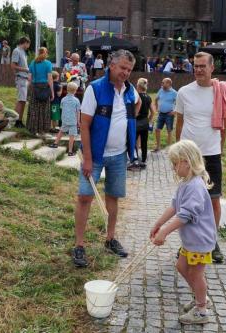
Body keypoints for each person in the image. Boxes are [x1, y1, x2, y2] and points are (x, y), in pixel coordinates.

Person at [73, 49, 141, 267]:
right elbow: (84, 124)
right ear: (111, 65)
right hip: (95, 155)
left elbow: (137, 105)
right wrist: (88, 159)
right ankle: (79, 245)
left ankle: (110, 238)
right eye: (122, 68)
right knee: (85, 198)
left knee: (113, 197)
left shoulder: (131, 91)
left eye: (129, 70)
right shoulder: (95, 89)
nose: (125, 73)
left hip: (119, 155)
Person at [175, 52, 226, 264]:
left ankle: (212, 241)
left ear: (211, 68)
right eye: (195, 66)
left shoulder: (221, 92)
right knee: (185, 200)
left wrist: (220, 148)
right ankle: (187, 243)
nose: (198, 69)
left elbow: (224, 125)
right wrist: (178, 151)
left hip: (211, 153)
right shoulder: (183, 92)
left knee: (213, 200)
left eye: (202, 66)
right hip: (189, 156)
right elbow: (179, 122)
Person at [150, 140, 216, 325]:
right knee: (181, 266)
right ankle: (200, 295)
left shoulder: (195, 186)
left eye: (175, 163)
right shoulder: (185, 183)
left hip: (200, 241)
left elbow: (186, 214)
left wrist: (165, 231)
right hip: (191, 241)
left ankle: (201, 310)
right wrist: (158, 223)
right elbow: (175, 206)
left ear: (187, 162)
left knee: (196, 274)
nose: (173, 168)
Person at [129, 78, 156, 170]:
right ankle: (144, 160)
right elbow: (153, 111)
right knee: (144, 143)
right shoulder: (148, 97)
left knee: (132, 141)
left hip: (136, 122)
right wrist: (149, 120)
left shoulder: (135, 96)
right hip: (145, 123)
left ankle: (134, 160)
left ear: (138, 86)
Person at [27, 47, 54, 136]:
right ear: (46, 53)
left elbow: (29, 79)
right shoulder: (48, 64)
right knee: (44, 110)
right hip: (45, 88)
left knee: (34, 109)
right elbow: (50, 78)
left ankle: (33, 130)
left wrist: (29, 91)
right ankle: (43, 131)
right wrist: (52, 92)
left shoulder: (32, 63)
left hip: (34, 88)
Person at [49, 82, 80, 156]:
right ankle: (70, 151)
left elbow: (61, 108)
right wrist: (78, 121)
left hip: (65, 119)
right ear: (75, 91)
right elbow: (77, 112)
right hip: (73, 121)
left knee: (61, 131)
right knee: (71, 136)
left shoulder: (63, 99)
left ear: (67, 90)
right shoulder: (76, 100)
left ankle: (55, 143)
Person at [11, 36, 31, 128]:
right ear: (25, 42)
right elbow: (13, 66)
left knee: (23, 101)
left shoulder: (23, 52)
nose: (28, 46)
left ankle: (19, 121)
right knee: (21, 100)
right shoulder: (16, 51)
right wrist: (26, 69)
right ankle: (13, 120)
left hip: (25, 78)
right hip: (20, 78)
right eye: (28, 44)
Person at [154, 78, 177, 151]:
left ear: (169, 84)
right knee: (157, 129)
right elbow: (156, 99)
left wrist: (175, 111)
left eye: (163, 83)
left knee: (169, 130)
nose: (162, 84)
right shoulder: (161, 90)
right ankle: (158, 147)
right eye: (162, 83)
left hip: (169, 114)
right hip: (161, 113)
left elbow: (179, 103)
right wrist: (156, 107)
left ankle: (169, 148)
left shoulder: (174, 93)